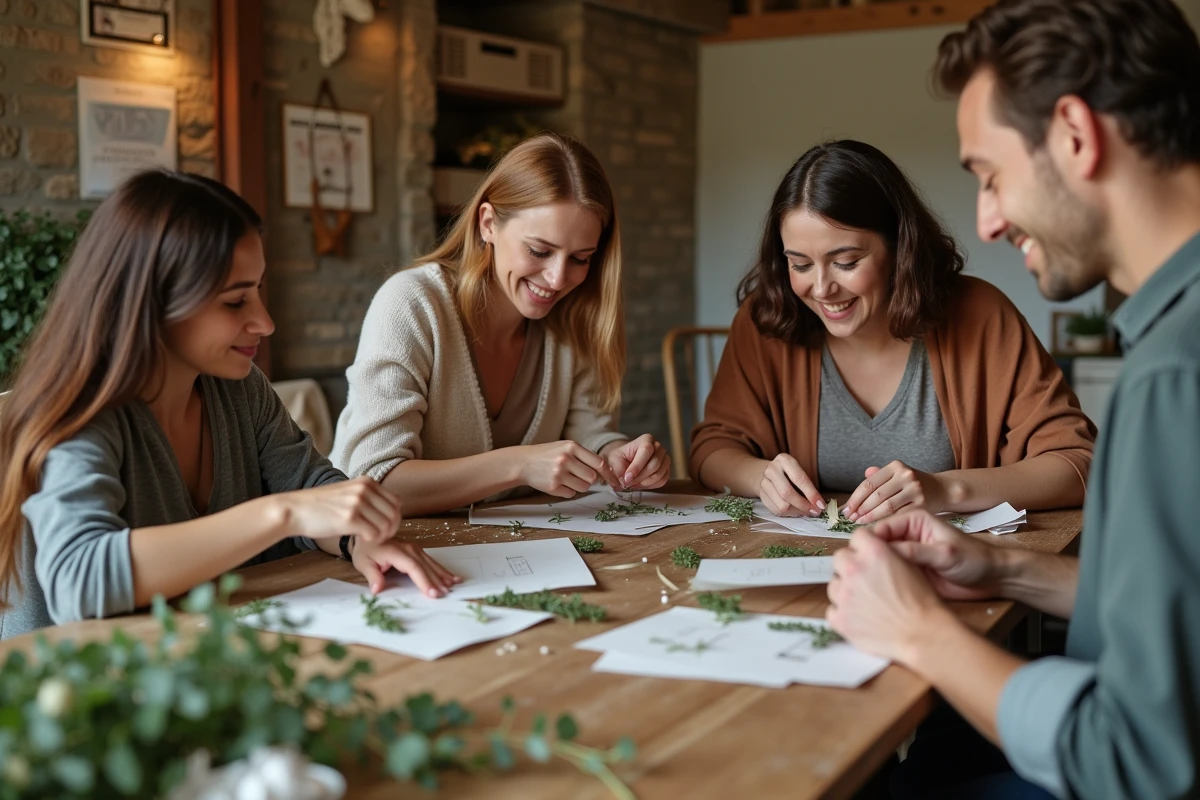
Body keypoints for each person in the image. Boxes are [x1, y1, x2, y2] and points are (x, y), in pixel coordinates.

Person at [826, 0, 1200, 797]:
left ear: (1075, 135)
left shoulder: (1174, 373)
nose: (987, 222)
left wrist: (918, 631)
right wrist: (1003, 568)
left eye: (991, 177)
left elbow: (1138, 762)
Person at [0, 170, 456, 641]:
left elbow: (308, 483)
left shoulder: (237, 386)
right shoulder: (83, 410)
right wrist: (282, 514)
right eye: (236, 301)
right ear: (152, 305)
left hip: (204, 651)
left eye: (258, 290)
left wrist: (355, 540)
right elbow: (79, 579)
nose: (264, 322)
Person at [691, 140, 1094, 524]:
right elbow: (712, 449)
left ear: (900, 248)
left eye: (846, 262)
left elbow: (1079, 463)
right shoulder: (766, 318)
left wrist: (946, 489)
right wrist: (760, 476)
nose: (822, 289)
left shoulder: (981, 315)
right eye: (800, 265)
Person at [332, 133, 670, 516]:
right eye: (539, 251)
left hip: (507, 545)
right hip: (383, 546)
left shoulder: (574, 315)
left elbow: (587, 433)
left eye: (580, 258)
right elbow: (373, 480)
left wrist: (616, 456)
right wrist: (518, 465)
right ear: (488, 224)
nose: (558, 279)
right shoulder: (411, 303)